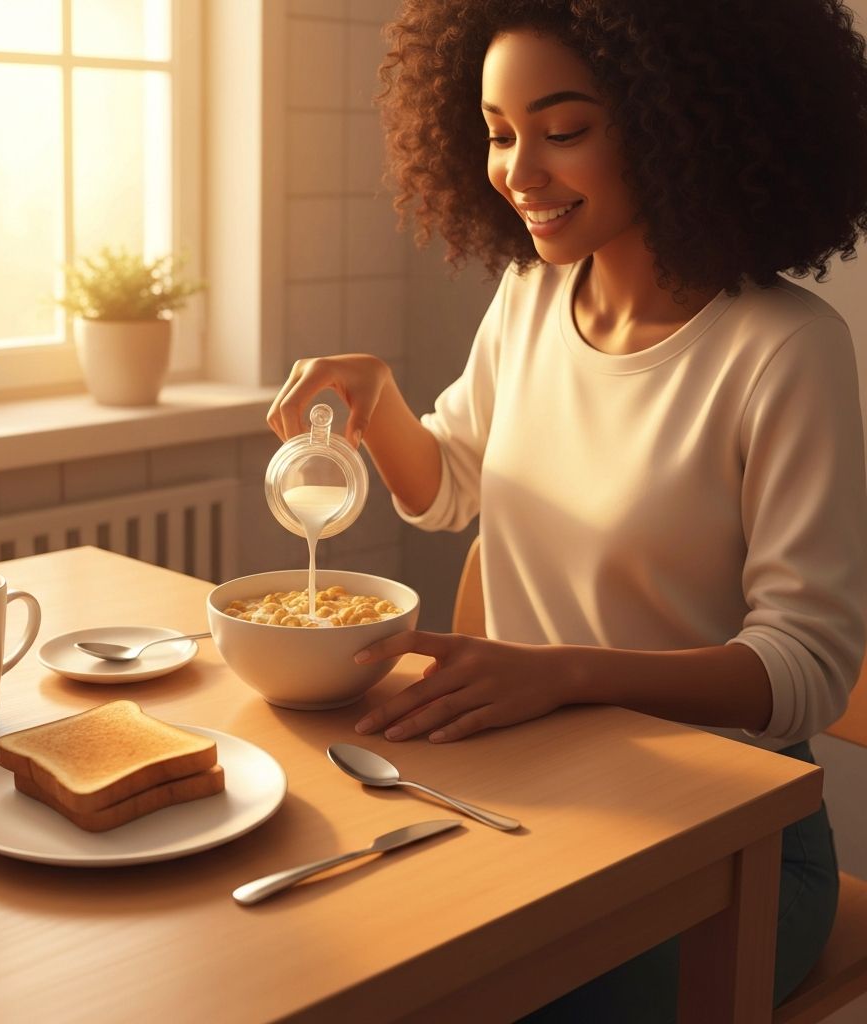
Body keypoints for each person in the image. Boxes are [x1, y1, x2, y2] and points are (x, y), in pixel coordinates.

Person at [267, 1, 867, 1019]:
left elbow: (805, 671)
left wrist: (557, 675)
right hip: (534, 802)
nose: (517, 171)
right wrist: (378, 402)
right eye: (498, 133)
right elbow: (449, 483)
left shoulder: (783, 348)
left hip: (730, 848)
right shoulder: (531, 296)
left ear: (675, 119)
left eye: (563, 129)